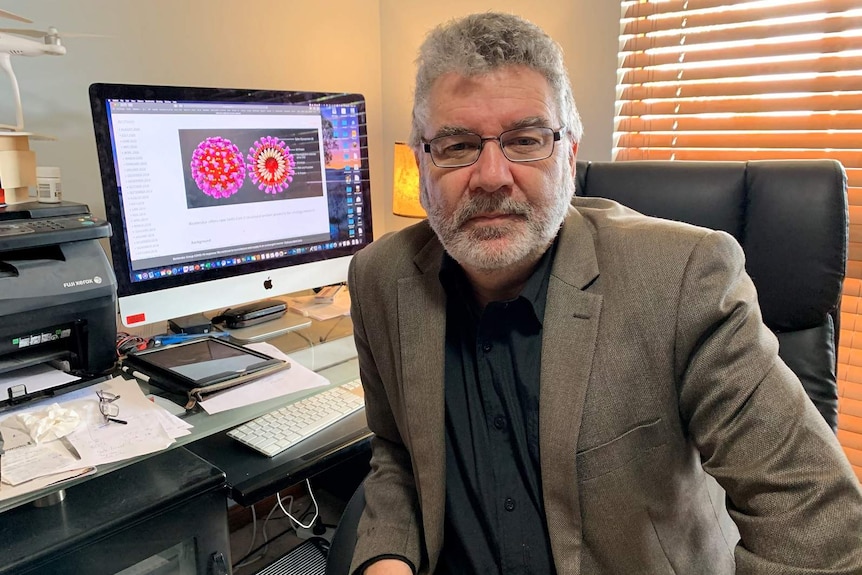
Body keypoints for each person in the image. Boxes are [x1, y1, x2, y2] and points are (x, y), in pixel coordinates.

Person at [346, 11, 862, 575]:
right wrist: (385, 559)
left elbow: (818, 524)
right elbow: (396, 453)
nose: (491, 175)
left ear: (568, 155)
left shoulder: (684, 279)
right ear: (421, 163)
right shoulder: (378, 279)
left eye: (525, 139)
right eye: (457, 145)